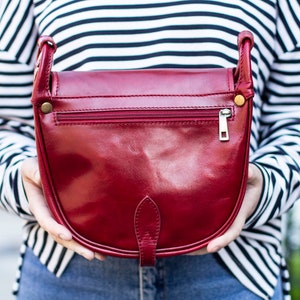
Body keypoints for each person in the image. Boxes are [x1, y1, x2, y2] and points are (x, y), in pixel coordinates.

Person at [0, 0, 299, 299]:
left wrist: (265, 186)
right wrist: (26, 181)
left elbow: (292, 118)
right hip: (68, 267)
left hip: (233, 269)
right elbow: (7, 124)